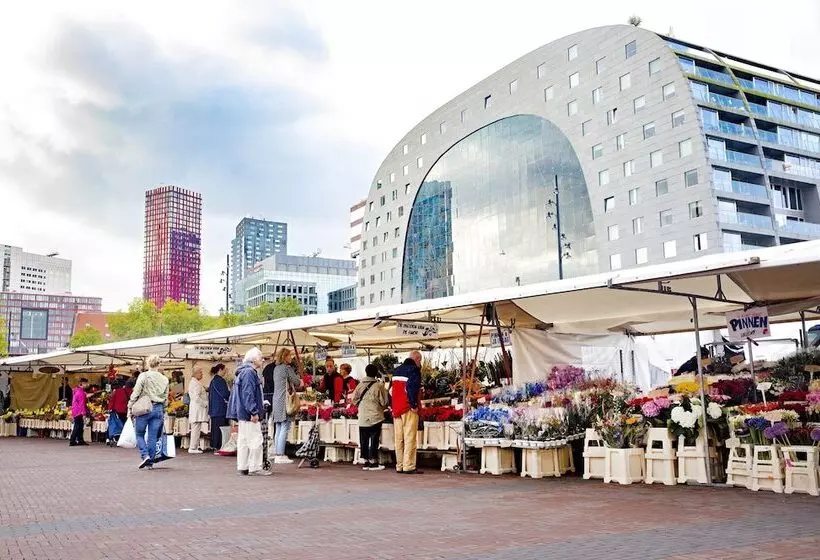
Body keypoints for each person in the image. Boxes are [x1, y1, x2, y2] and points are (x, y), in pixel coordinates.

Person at [226, 348, 270, 476]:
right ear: (254, 359)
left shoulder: (242, 372)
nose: (262, 360)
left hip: (242, 413)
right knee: (256, 440)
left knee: (244, 441)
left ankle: (243, 466)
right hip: (248, 414)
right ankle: (255, 467)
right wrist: (254, 411)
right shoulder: (250, 373)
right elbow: (248, 394)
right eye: (261, 358)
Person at [128, 355, 170, 470]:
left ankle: (145, 455)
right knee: (152, 437)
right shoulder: (165, 379)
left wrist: (130, 406)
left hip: (144, 408)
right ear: (159, 364)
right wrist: (164, 410)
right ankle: (150, 461)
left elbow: (136, 392)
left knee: (139, 434)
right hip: (158, 409)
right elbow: (166, 397)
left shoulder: (144, 376)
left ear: (147, 364)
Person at [351, 364, 388, 470]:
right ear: (376, 373)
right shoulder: (379, 385)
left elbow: (354, 400)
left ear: (366, 372)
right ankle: (373, 461)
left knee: (364, 439)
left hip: (362, 416)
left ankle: (366, 461)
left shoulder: (360, 384)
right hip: (375, 416)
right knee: (374, 439)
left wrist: (362, 405)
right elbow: (384, 402)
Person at [392, 351, 423, 474]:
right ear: (417, 358)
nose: (420, 363)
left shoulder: (396, 370)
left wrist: (392, 406)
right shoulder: (414, 370)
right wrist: (414, 405)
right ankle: (408, 466)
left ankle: (399, 465)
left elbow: (391, 391)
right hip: (407, 408)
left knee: (399, 438)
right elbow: (412, 388)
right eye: (420, 361)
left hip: (396, 408)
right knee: (410, 437)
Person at [269, 348, 302, 464]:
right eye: (289, 356)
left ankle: (276, 452)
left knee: (278, 427)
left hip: (276, 400)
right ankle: (280, 454)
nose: (291, 358)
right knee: (285, 427)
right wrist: (298, 377)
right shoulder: (287, 368)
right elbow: (296, 381)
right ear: (284, 357)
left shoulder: (276, 369)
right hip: (285, 401)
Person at [208, 363, 230, 454]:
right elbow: (225, 393)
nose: (226, 371)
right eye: (225, 369)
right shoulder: (220, 380)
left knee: (215, 428)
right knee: (221, 429)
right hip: (220, 409)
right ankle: (219, 446)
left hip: (214, 409)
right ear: (220, 370)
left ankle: (214, 446)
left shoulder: (213, 381)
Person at [187, 366, 209, 454]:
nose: (202, 374)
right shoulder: (195, 383)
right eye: (201, 372)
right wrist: (205, 404)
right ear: (196, 373)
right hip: (197, 408)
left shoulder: (195, 382)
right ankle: (193, 447)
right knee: (196, 428)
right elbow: (196, 397)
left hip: (196, 408)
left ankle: (194, 446)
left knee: (196, 428)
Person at [68, 379, 89, 447]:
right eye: (86, 383)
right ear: (82, 384)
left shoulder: (76, 390)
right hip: (79, 411)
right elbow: (81, 404)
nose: (87, 385)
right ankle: (72, 440)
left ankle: (80, 440)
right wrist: (84, 414)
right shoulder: (81, 392)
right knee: (77, 426)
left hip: (75, 410)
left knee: (80, 426)